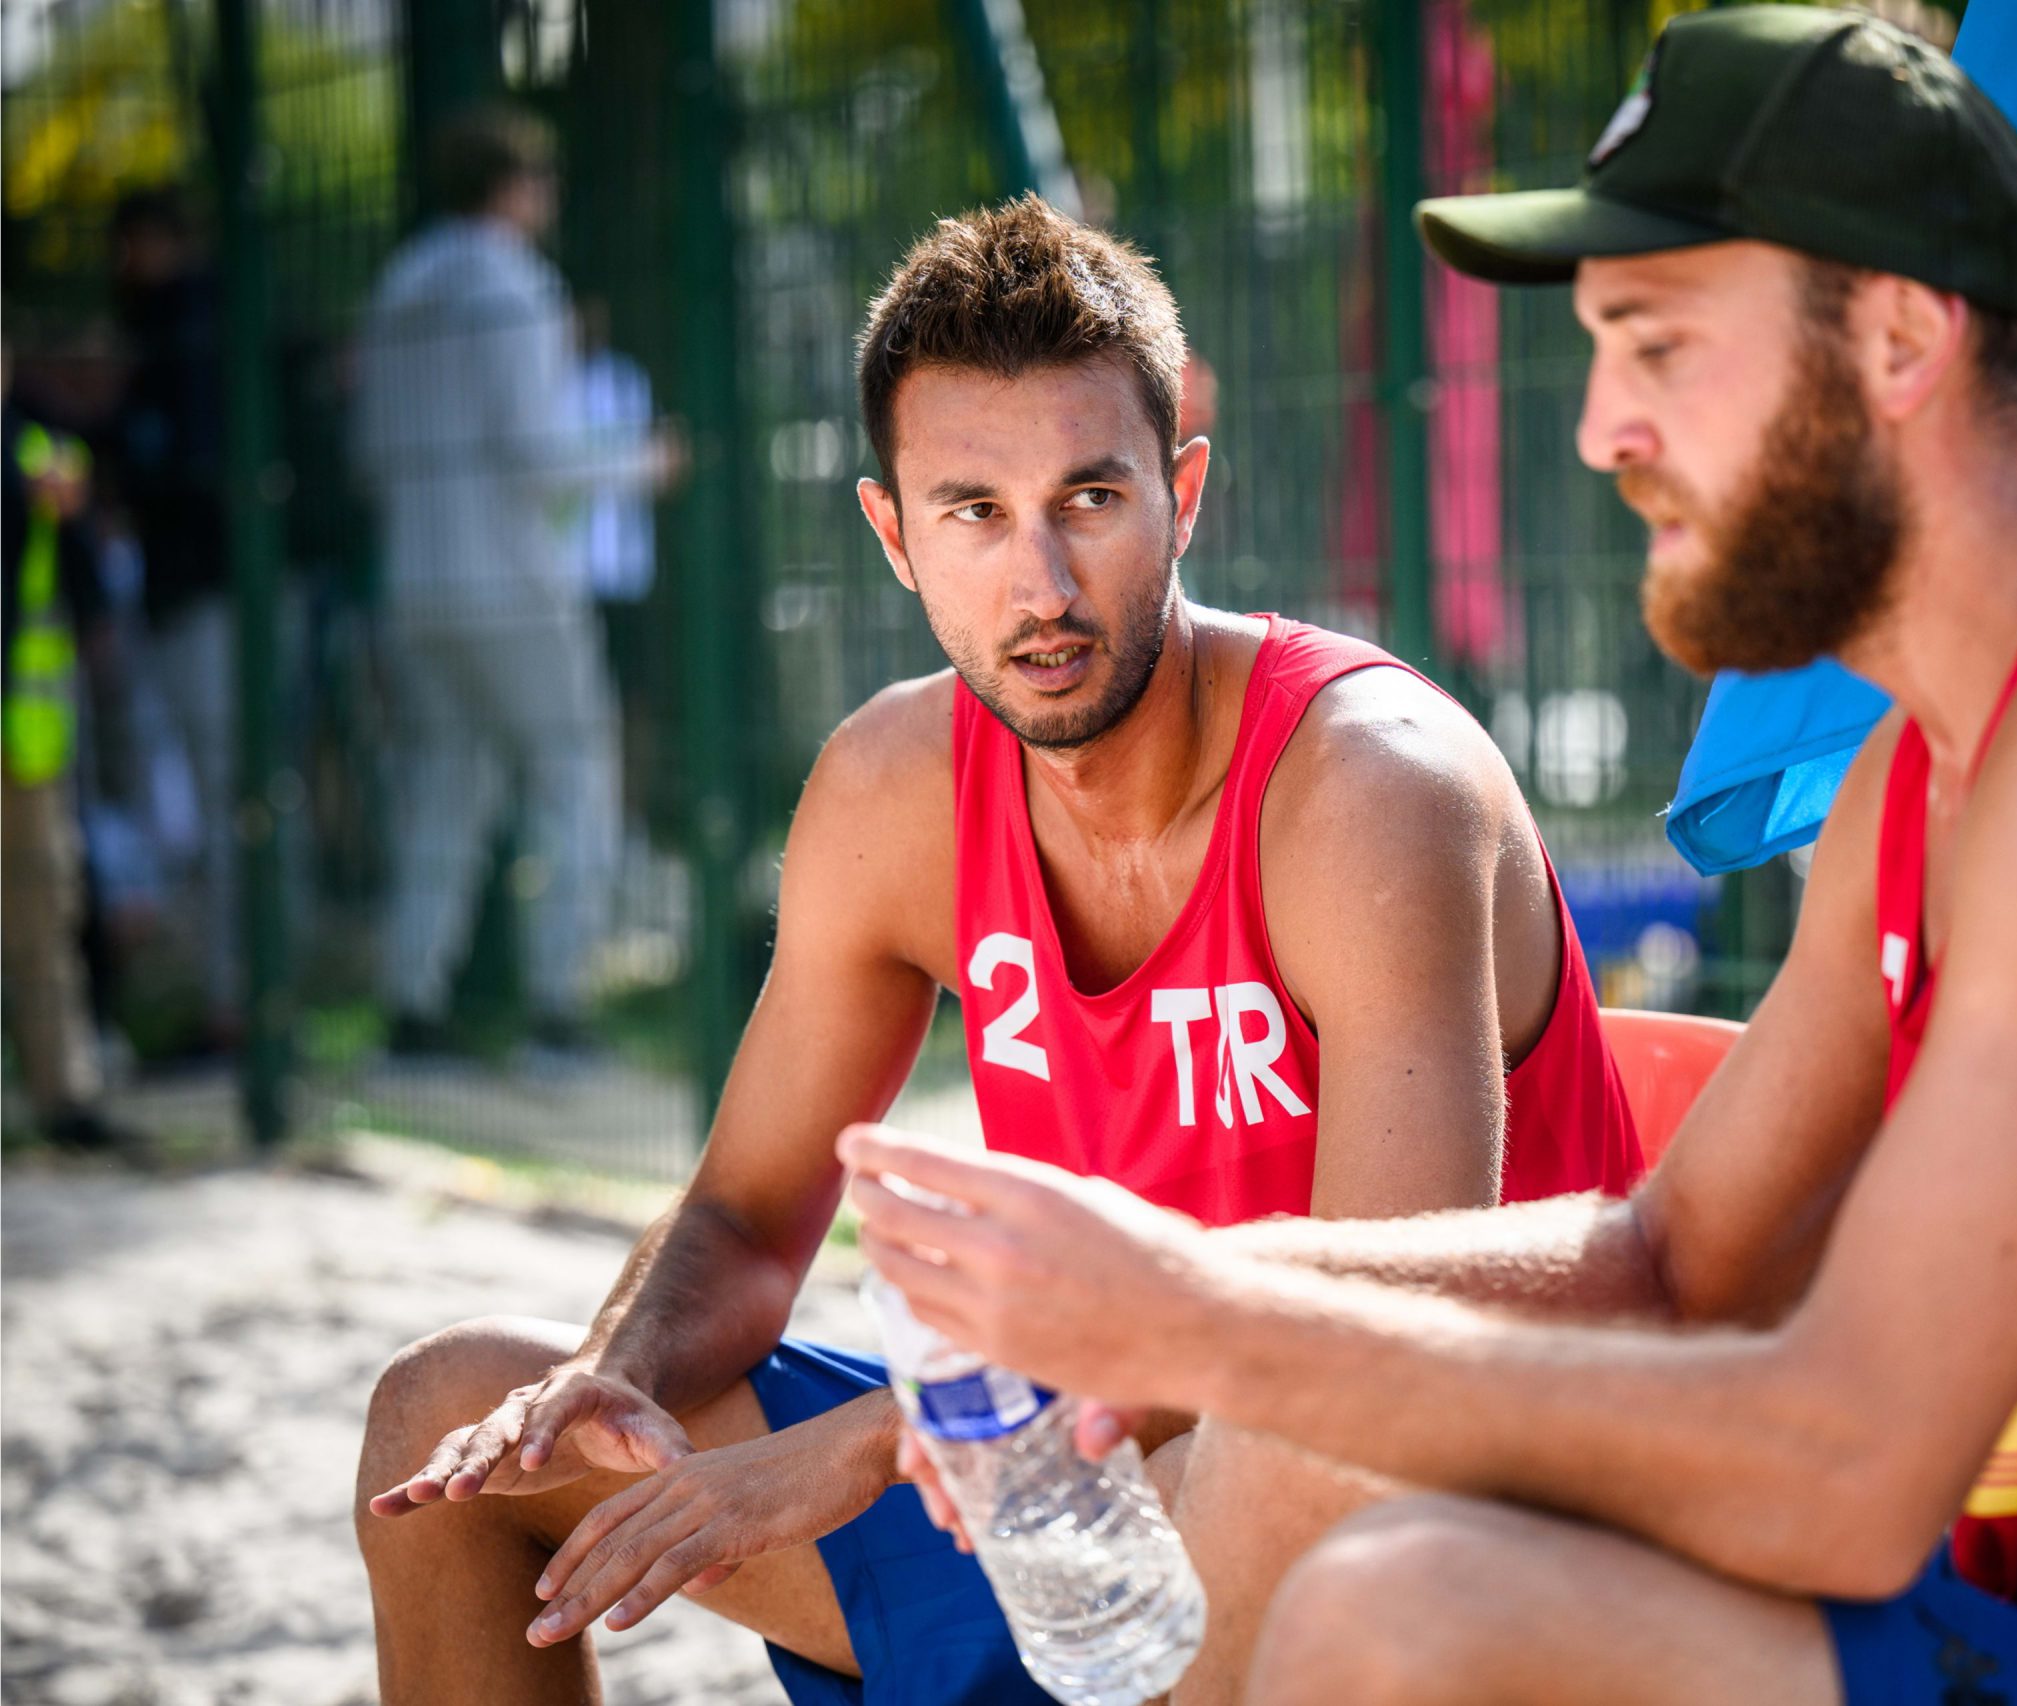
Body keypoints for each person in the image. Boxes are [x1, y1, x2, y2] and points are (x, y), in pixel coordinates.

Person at [839, 11, 2017, 1706]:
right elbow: (1673, 1261)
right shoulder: (1930, 766)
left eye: (1658, 344)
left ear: (1893, 338)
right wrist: (1164, 1294)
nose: (1599, 429)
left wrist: (1208, 1328)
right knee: (1314, 1454)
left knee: (1413, 1606)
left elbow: (1850, 1465)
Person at [353, 196, 1645, 1706]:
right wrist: (616, 1367)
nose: (1040, 583)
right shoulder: (893, 789)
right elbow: (751, 1216)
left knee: (1249, 1466)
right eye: (973, 511)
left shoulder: (1368, 784)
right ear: (892, 536)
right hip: (1075, 1480)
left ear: (1186, 492)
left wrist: (881, 1439)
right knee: (447, 1419)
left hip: (1429, 1524)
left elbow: (1374, 1330)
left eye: (1091, 498)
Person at [351, 105, 681, 1058]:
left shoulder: (400, 283)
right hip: (513, 582)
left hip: (417, 581)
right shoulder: (516, 283)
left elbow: (370, 449)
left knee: (444, 792)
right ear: (516, 187)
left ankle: (413, 1009)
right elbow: (538, 456)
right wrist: (641, 462)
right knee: (575, 777)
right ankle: (557, 1010)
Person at [107, 187, 239, 1042]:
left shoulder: (186, 330)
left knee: (225, 795)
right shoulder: (177, 325)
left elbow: (183, 462)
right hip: (192, 597)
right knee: (202, 797)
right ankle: (222, 997)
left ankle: (235, 1005)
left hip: (209, 595)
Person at [3, 329, 134, 1152]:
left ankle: (65, 1099)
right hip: (32, 729)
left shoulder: (41, 455)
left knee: (46, 909)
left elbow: (86, 592)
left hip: (29, 733)